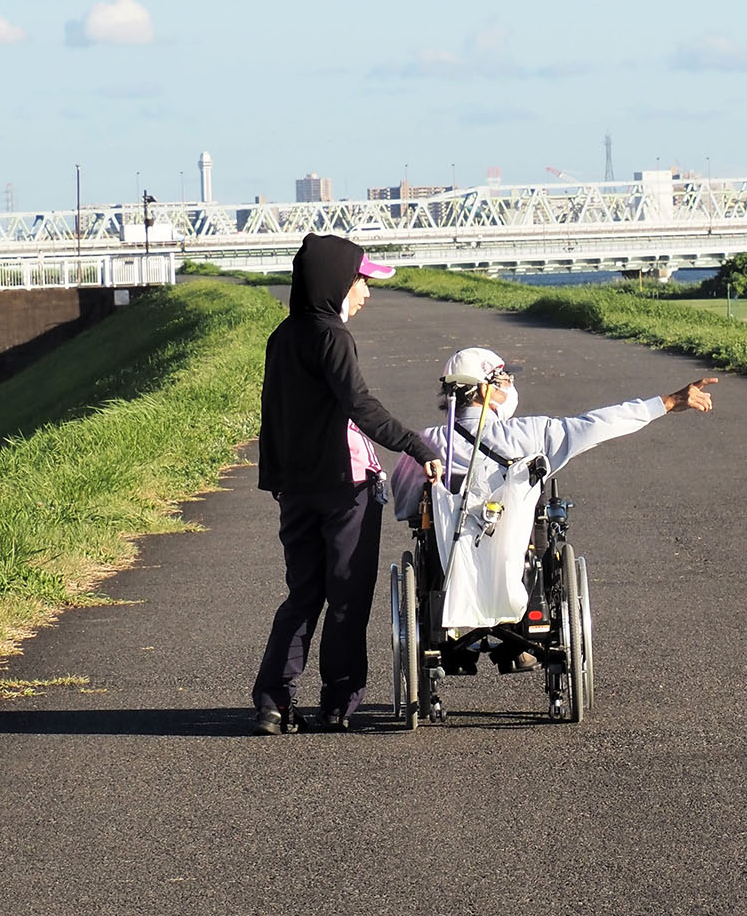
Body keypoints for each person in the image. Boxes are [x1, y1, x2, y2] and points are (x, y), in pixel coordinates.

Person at [390, 346, 716, 671]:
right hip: (519, 567)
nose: (509, 387)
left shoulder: (424, 444)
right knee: (541, 519)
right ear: (484, 390)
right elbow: (598, 424)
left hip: (447, 575)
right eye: (502, 380)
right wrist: (669, 402)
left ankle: (455, 645)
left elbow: (406, 507)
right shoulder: (531, 433)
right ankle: (521, 638)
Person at [251, 233, 442, 735]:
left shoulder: (282, 336)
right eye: (361, 281)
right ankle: (338, 703)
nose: (366, 292)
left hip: (295, 490)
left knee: (302, 594)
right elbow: (360, 405)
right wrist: (418, 447)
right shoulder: (332, 335)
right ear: (338, 282)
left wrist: (274, 478)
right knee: (347, 597)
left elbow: (272, 415)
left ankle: (272, 703)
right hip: (345, 484)